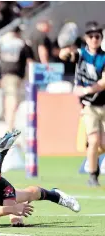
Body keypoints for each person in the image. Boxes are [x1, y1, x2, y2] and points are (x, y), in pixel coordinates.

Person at [0, 129, 81, 226]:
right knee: (9, 192)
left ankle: (55, 195)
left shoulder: (5, 186)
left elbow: (12, 210)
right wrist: (13, 209)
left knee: (30, 194)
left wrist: (16, 217)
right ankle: (1, 152)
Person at [59, 22, 105, 187]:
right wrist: (66, 48)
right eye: (91, 36)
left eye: (97, 36)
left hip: (103, 104)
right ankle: (93, 176)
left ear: (101, 38)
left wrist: (85, 90)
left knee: (101, 144)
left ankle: (93, 162)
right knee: (93, 141)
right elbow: (65, 55)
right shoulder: (80, 54)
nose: (94, 39)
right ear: (86, 38)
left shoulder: (104, 57)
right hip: (89, 107)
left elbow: (104, 82)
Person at [0, 26, 34, 131]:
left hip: (3, 75)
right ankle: (10, 125)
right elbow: (30, 62)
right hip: (14, 76)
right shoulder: (22, 44)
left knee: (8, 99)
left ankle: (9, 122)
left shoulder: (3, 43)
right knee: (12, 99)